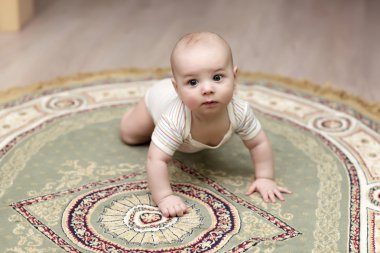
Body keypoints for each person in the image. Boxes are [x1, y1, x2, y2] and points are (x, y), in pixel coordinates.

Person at [120, 32, 291, 218]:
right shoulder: (174, 119)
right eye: (193, 82)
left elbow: (258, 143)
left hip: (182, 127)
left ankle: (165, 134)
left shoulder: (240, 111)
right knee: (131, 135)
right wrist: (164, 197)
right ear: (177, 89)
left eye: (217, 78)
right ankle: (133, 112)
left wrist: (265, 177)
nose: (207, 89)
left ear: (234, 78)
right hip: (155, 101)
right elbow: (156, 160)